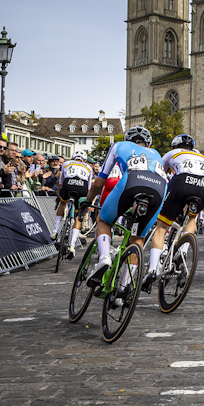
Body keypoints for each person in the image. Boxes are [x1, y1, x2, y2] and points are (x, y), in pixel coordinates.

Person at [83, 126, 167, 295]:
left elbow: (99, 182)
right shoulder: (156, 153)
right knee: (138, 239)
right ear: (148, 143)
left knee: (104, 221)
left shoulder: (119, 145)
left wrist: (88, 201)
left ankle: (104, 258)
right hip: (159, 189)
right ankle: (123, 288)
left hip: (132, 181)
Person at [146, 134, 204, 291]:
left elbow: (159, 175)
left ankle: (152, 270)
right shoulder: (201, 156)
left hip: (183, 182)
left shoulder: (172, 154)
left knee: (162, 227)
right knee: (192, 218)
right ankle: (183, 252)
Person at [52, 152, 93, 257]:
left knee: (62, 203)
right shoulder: (88, 167)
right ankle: (72, 245)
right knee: (78, 216)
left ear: (73, 158)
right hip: (82, 187)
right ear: (84, 160)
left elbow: (60, 183)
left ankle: (55, 231)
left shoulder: (66, 163)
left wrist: (60, 197)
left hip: (68, 185)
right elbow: (88, 188)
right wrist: (86, 204)